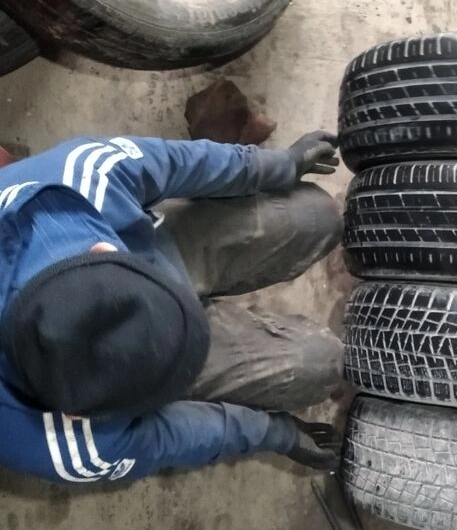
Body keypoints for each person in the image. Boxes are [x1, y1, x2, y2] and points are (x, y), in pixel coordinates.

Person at [0, 131, 348, 484]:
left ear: (103, 250)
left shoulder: (81, 179)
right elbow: (169, 437)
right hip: (125, 346)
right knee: (321, 363)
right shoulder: (63, 447)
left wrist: (276, 165)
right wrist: (274, 433)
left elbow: (177, 162)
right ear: (76, 414)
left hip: (158, 247)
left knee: (318, 216)